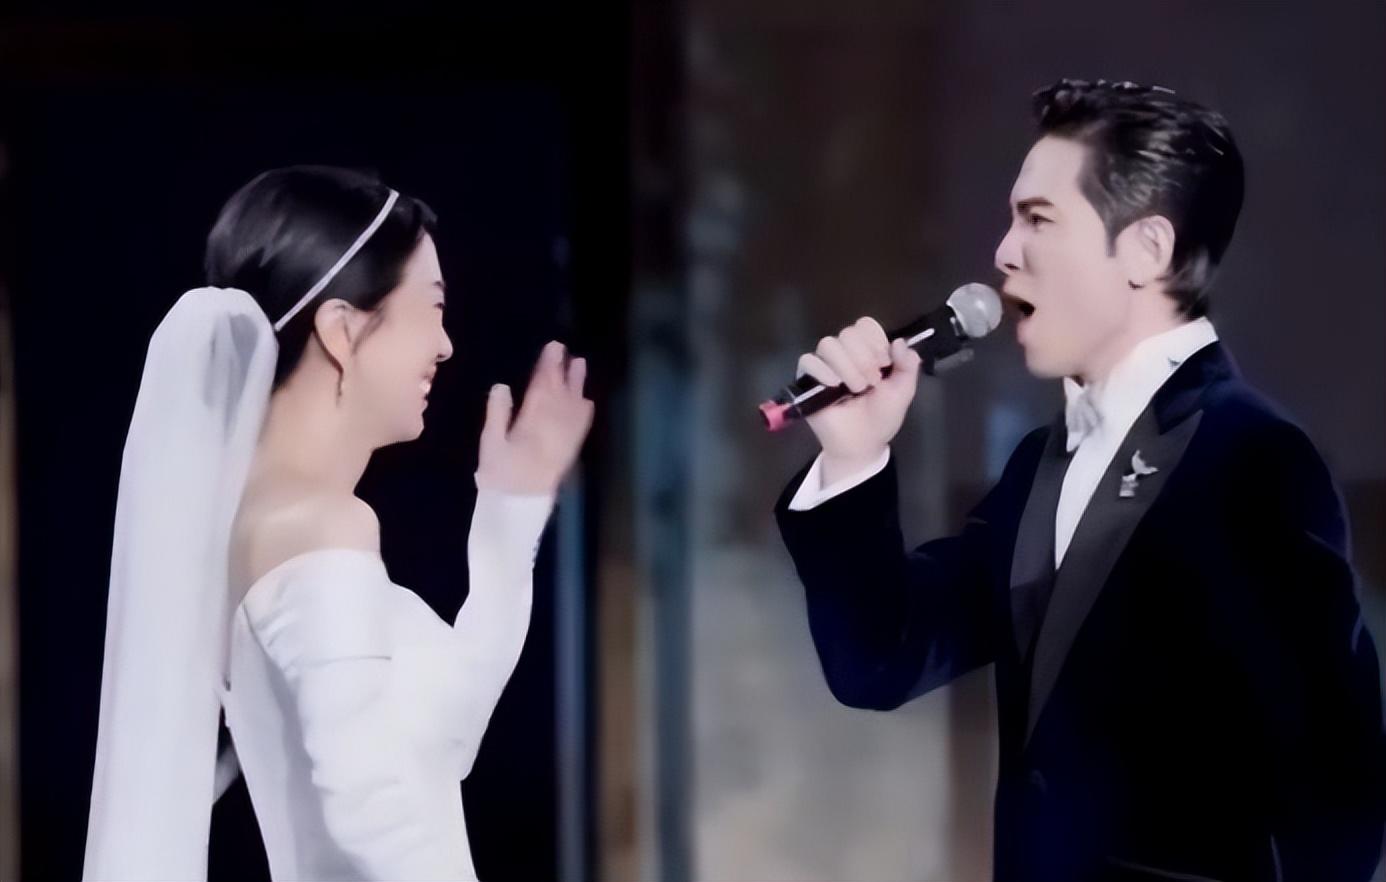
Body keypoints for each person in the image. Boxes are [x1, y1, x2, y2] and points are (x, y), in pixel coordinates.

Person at [776, 80, 1385, 880]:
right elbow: (882, 660)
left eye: (1038, 219)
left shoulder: (1251, 457)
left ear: (1147, 250)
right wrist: (854, 459)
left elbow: (1337, 798)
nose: (1003, 253)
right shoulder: (1042, 462)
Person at [84, 165, 593, 880]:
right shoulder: (320, 525)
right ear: (343, 331)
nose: (445, 345)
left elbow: (449, 737)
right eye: (432, 307)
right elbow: (368, 810)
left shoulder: (267, 524)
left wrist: (514, 505)